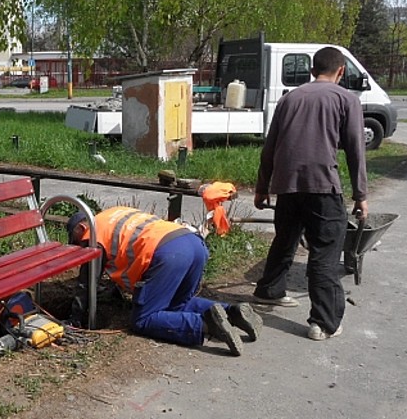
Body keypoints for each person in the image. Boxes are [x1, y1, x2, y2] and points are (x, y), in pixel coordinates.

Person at [252, 46, 368, 341]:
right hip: (321, 185)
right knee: (325, 251)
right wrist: (360, 195)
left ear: (312, 70)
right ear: (341, 71)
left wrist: (262, 187)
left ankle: (269, 290)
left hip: (286, 185)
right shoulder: (346, 99)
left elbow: (270, 148)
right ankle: (324, 323)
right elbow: (356, 150)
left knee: (286, 237)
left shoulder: (289, 99)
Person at [66, 206, 262, 356]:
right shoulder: (112, 214)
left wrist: (74, 319)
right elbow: (127, 247)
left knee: (143, 320)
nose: (81, 250)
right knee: (177, 304)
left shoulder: (92, 234)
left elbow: (87, 283)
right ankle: (232, 312)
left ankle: (205, 324)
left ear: (81, 228)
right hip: (193, 243)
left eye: (77, 243)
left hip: (168, 254)